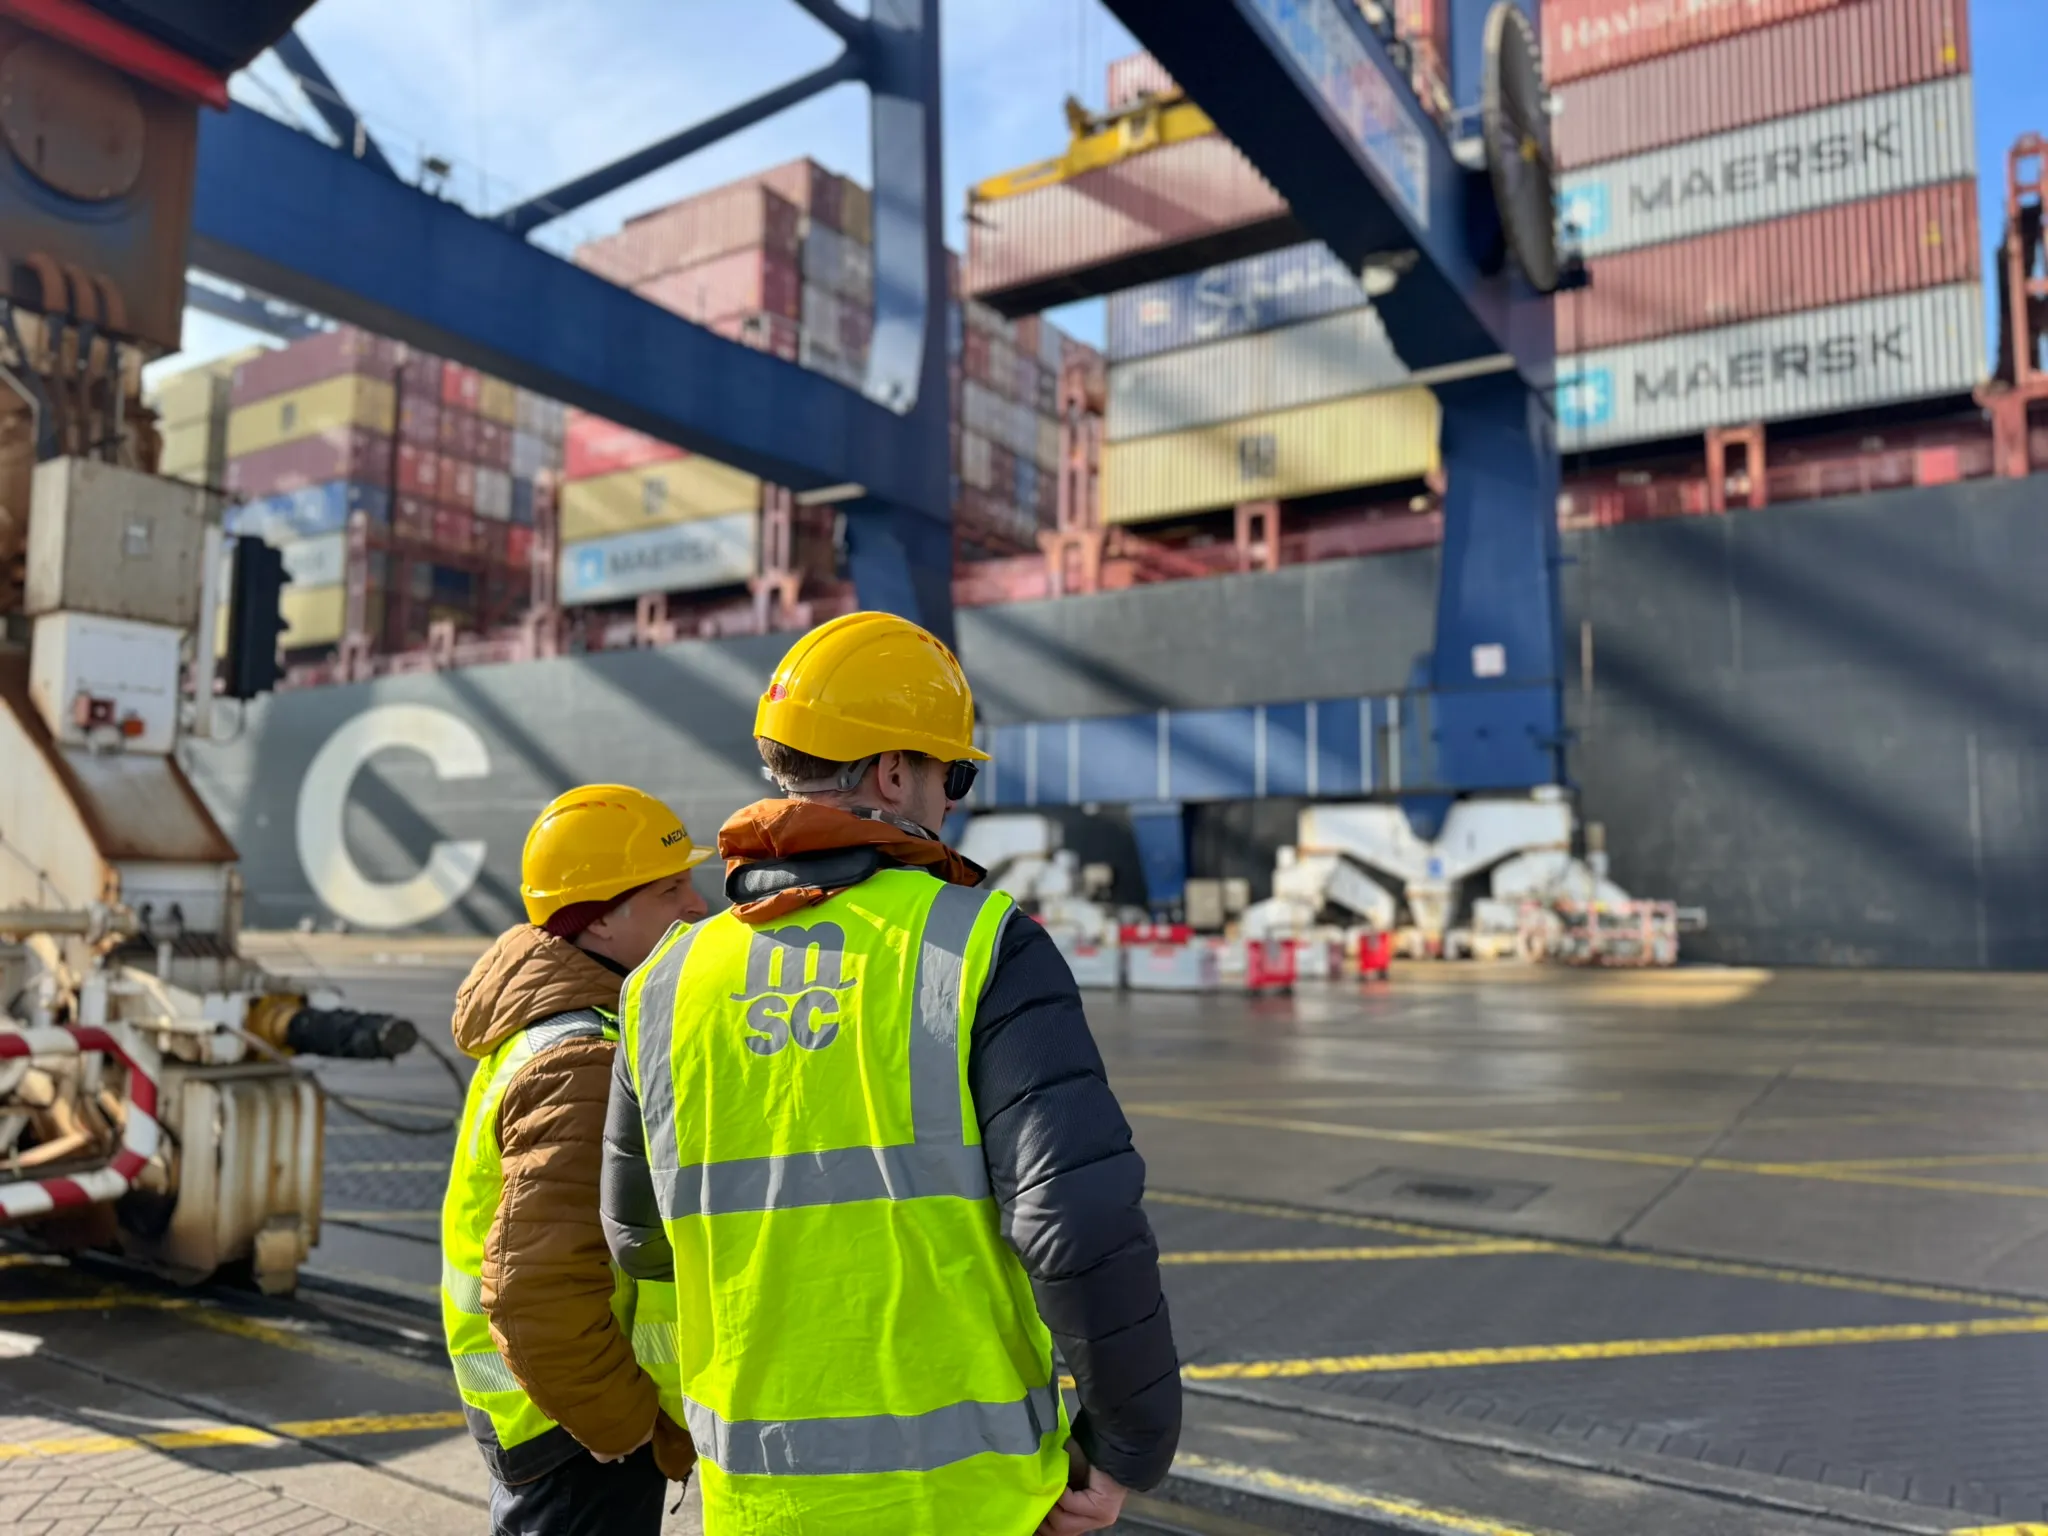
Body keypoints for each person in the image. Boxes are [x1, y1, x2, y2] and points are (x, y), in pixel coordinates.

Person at [601, 611, 1181, 1536]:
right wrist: (1127, 1448)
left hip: (758, 1504)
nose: (951, 802)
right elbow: (1076, 1221)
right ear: (894, 772)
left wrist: (705, 1423)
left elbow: (641, 1247)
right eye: (951, 775)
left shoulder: (662, 984)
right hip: (965, 1503)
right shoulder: (982, 946)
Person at [442, 785, 711, 1536]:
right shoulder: (581, 1059)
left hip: (558, 1413)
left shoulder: (566, 1026)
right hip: (582, 1430)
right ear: (595, 918)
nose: (697, 904)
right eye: (669, 890)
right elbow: (535, 1295)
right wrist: (633, 1431)